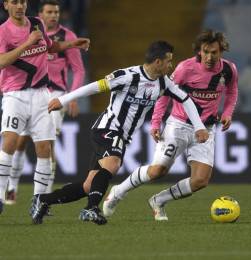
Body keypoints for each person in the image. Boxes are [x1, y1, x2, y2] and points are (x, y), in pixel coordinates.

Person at [30, 40, 209, 225]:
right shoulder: (127, 76)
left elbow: (186, 99)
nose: (170, 65)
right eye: (168, 61)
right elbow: (94, 86)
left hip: (122, 137)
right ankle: (90, 209)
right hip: (107, 129)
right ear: (158, 61)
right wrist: (63, 99)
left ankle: (43, 201)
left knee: (89, 185)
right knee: (113, 163)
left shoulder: (164, 82)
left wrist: (199, 126)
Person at [102, 29, 238, 221]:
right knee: (158, 170)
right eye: (204, 51)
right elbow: (163, 93)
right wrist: (156, 122)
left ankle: (159, 200)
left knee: (200, 180)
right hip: (179, 125)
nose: (208, 56)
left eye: (213, 52)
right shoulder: (185, 68)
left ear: (221, 51)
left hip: (205, 129)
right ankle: (118, 191)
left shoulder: (229, 69)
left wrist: (227, 113)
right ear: (199, 50)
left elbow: (232, 91)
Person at [0, 0, 89, 214]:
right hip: (15, 95)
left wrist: (72, 44)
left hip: (42, 95)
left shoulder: (36, 23)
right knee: (11, 143)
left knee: (44, 149)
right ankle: (1, 196)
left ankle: (39, 201)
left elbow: (51, 46)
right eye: (14, 2)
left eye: (22, 1)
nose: (20, 6)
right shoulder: (3, 32)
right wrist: (27, 43)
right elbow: (2, 61)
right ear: (6, 6)